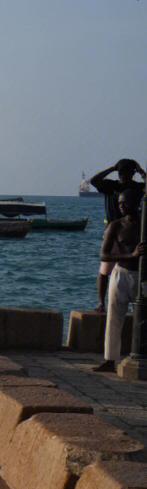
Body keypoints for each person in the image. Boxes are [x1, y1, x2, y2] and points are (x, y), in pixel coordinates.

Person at [93, 191, 146, 372]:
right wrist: (131, 255)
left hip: (141, 275)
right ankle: (110, 359)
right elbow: (104, 255)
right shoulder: (116, 226)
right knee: (114, 317)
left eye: (125, 203)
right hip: (121, 274)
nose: (121, 206)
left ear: (136, 203)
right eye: (120, 203)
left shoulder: (144, 223)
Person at [91, 159, 146, 312]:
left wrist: (141, 171)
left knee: (136, 268)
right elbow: (94, 180)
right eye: (121, 172)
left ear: (132, 173)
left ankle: (138, 305)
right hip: (113, 230)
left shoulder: (136, 187)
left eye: (127, 172)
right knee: (105, 269)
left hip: (133, 230)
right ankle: (101, 303)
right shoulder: (111, 185)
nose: (123, 175)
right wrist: (111, 168)